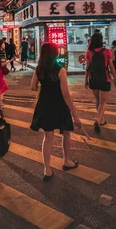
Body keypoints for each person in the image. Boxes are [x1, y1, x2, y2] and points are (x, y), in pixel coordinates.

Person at [30, 43, 82, 180]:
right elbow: (66, 94)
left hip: (44, 105)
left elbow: (33, 87)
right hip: (59, 105)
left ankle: (47, 169)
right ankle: (66, 161)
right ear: (55, 54)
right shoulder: (60, 71)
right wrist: (75, 116)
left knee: (48, 138)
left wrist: (42, 88)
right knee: (66, 133)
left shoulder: (39, 69)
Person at [85, 32, 116, 133]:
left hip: (93, 78)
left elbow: (87, 68)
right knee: (103, 102)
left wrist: (85, 80)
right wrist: (115, 78)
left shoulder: (89, 52)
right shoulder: (107, 51)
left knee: (98, 100)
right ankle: (98, 119)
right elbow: (111, 66)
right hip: (105, 78)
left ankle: (101, 119)